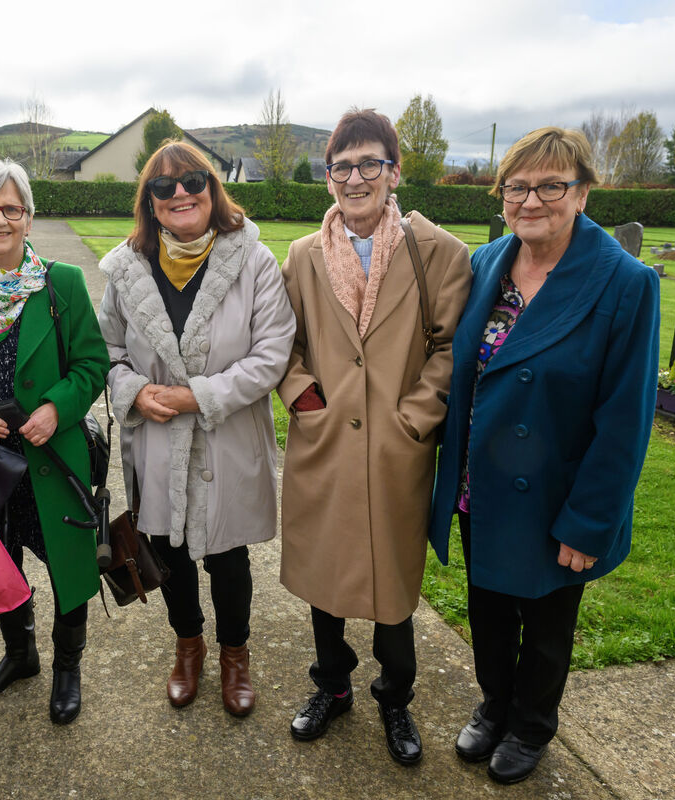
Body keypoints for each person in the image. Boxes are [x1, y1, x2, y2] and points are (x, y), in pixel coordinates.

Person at [428, 126, 659, 784]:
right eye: (517, 187)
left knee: (548, 620)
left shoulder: (624, 283)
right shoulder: (487, 262)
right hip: (482, 481)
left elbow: (625, 419)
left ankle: (532, 725)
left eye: (551, 186)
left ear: (582, 193)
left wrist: (589, 522)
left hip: (557, 491)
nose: (531, 200)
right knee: (488, 609)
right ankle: (496, 703)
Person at [277, 108, 472, 763]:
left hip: (397, 448)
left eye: (368, 164)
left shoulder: (438, 252)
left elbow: (449, 348)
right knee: (324, 575)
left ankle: (396, 700)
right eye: (342, 166)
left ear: (393, 171)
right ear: (328, 177)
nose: (354, 178)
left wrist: (416, 420)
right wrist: (306, 404)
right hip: (325, 444)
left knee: (392, 589)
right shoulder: (303, 257)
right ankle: (331, 688)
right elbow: (285, 344)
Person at [98, 141, 295, 717]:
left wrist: (198, 396)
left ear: (212, 189)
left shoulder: (252, 260)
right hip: (157, 441)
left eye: (192, 181)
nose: (180, 193)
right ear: (150, 204)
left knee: (229, 559)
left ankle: (236, 656)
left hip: (226, 438)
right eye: (164, 187)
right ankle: (189, 647)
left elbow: (271, 353)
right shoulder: (125, 269)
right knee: (169, 553)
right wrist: (134, 390)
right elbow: (104, 349)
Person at [0, 158, 108, 725]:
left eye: (12, 208)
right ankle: (21, 654)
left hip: (53, 456)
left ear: (28, 219)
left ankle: (66, 670)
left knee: (67, 568)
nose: (0, 219)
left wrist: (57, 407)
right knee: (0, 561)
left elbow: (92, 362)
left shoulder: (64, 283)